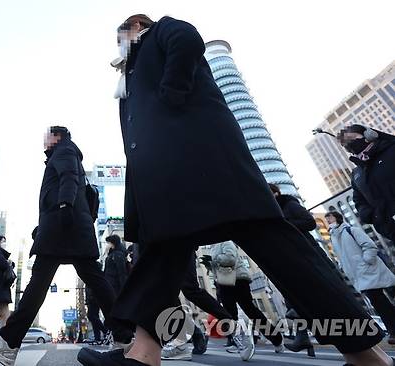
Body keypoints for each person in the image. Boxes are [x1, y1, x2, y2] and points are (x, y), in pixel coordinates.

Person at [78, 14, 390, 366]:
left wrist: (171, 94)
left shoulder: (162, 29)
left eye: (121, 37)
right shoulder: (131, 73)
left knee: (273, 244)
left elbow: (188, 41)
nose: (119, 45)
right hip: (164, 170)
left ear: (135, 27)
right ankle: (143, 353)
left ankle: (365, 354)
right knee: (159, 252)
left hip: (201, 156)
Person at [0, 126, 132, 366]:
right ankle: (124, 337)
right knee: (89, 279)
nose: (44, 140)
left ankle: (8, 343)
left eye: (48, 135)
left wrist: (63, 208)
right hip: (67, 227)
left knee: (40, 283)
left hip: (63, 226)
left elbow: (68, 177)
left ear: (58, 137)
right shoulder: (66, 153)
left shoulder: (65, 150)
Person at [326, 211, 395, 344]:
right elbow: (341, 256)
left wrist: (366, 261)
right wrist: (343, 266)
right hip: (360, 275)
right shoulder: (334, 237)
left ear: (338, 218)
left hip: (369, 270)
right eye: (327, 219)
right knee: (379, 301)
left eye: (330, 218)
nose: (328, 220)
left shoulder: (351, 230)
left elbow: (369, 245)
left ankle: (393, 330)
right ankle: (392, 329)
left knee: (380, 301)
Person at [269, 183, 319, 356]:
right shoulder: (273, 211)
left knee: (307, 298)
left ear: (275, 193)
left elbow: (309, 222)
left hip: (307, 253)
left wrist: (283, 223)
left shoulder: (288, 204)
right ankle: (302, 336)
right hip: (290, 254)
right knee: (295, 300)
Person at [212, 241, 284, 353]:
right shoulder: (213, 247)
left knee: (250, 310)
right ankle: (236, 342)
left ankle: (277, 339)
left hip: (238, 279)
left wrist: (215, 260)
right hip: (224, 280)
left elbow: (230, 258)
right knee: (229, 314)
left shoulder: (225, 242)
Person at [338, 125, 395, 243]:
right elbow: (359, 202)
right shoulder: (357, 174)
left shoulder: (392, 149)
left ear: (369, 135)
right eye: (346, 144)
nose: (350, 145)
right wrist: (374, 217)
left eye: (352, 139)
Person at [85, 264, 108, 345]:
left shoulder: (95, 275)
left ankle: (105, 331)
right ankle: (97, 337)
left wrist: (90, 298)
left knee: (91, 316)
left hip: (94, 299)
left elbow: (92, 288)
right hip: (92, 299)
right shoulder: (91, 275)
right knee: (94, 317)